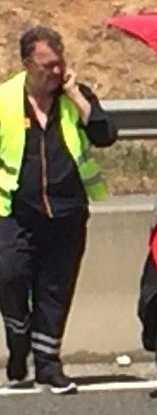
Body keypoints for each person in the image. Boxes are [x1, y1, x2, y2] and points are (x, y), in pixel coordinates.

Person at [0, 26, 117, 394]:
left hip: (66, 212)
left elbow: (105, 134)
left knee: (55, 289)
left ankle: (48, 364)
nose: (53, 71)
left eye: (58, 63)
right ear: (26, 64)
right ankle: (19, 339)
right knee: (11, 275)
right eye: (46, 65)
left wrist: (74, 94)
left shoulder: (74, 97)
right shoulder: (4, 100)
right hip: (15, 211)